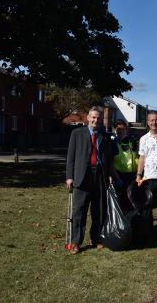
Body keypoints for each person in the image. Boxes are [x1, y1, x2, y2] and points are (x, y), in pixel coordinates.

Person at [65, 106, 113, 255]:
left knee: (99, 210)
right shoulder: (77, 134)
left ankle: (96, 238)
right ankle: (76, 242)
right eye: (93, 117)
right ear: (87, 118)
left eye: (98, 118)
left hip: (99, 176)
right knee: (79, 211)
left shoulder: (104, 136)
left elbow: (108, 158)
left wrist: (109, 173)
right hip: (81, 177)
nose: (95, 120)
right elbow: (70, 157)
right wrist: (69, 176)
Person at [111, 120, 138, 212]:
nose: (121, 131)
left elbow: (138, 157)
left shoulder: (132, 142)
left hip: (133, 176)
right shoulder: (112, 143)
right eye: (118, 129)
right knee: (122, 201)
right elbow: (110, 162)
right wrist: (115, 177)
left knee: (133, 200)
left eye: (123, 129)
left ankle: (133, 221)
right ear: (115, 130)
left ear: (126, 129)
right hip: (119, 176)